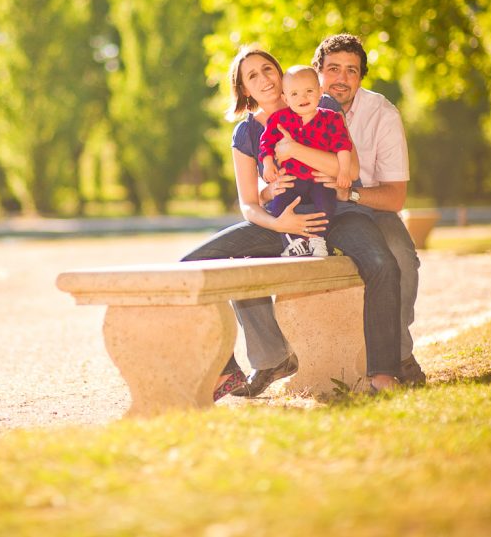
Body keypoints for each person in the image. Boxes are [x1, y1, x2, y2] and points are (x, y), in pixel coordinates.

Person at [181, 45, 401, 400]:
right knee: (190, 265)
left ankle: (384, 372)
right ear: (244, 90)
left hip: (339, 213)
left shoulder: (319, 104)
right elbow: (249, 205)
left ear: (280, 74)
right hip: (282, 223)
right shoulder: (245, 134)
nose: (264, 79)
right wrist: (281, 221)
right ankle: (233, 369)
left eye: (267, 69)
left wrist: (295, 151)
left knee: (381, 262)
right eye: (252, 76)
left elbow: (352, 170)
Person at [305, 33, 425, 385]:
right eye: (333, 69)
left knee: (401, 256)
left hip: (369, 205)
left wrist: (351, 196)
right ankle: (278, 357)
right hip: (314, 208)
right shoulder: (297, 104)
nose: (341, 79)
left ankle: (399, 355)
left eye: (351, 71)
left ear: (360, 77)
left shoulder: (382, 114)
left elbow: (395, 197)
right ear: (318, 71)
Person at [259, 65, 354, 258]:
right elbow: (266, 142)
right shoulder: (280, 119)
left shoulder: (331, 118)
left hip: (319, 179)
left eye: (309, 91)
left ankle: (318, 239)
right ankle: (296, 242)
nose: (302, 98)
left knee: (326, 203)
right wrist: (268, 163)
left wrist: (343, 171)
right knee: (279, 205)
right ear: (285, 98)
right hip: (292, 179)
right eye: (294, 94)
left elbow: (343, 146)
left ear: (320, 92)